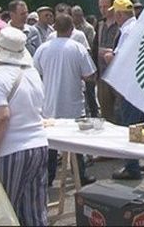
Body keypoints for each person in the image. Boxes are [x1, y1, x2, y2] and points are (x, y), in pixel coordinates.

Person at [0, 27, 49, 226]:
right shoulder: (32, 73)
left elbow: (1, 117)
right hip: (38, 144)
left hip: (11, 150)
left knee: (5, 210)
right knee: (35, 212)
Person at [34, 14, 97, 186]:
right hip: (73, 102)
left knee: (51, 142)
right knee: (75, 142)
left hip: (49, 101)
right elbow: (89, 75)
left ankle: (48, 177)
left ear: (54, 28)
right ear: (71, 30)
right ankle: (80, 175)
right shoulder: (78, 48)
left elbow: (36, 71)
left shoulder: (43, 48)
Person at [104, 0, 144, 181]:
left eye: (115, 13)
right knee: (143, 124)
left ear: (120, 14)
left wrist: (108, 57)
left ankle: (132, 166)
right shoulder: (139, 26)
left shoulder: (127, 30)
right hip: (141, 82)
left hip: (130, 84)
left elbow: (120, 59)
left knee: (131, 126)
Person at [92, 0, 120, 124]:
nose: (102, 10)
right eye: (100, 7)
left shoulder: (120, 25)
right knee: (105, 110)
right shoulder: (100, 24)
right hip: (102, 74)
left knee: (118, 110)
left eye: (105, 7)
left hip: (117, 75)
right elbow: (94, 46)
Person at [72, 5, 98, 117]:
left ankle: (94, 113)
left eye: (76, 15)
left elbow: (91, 46)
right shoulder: (72, 28)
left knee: (90, 92)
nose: (75, 18)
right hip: (76, 63)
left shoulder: (88, 28)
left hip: (87, 62)